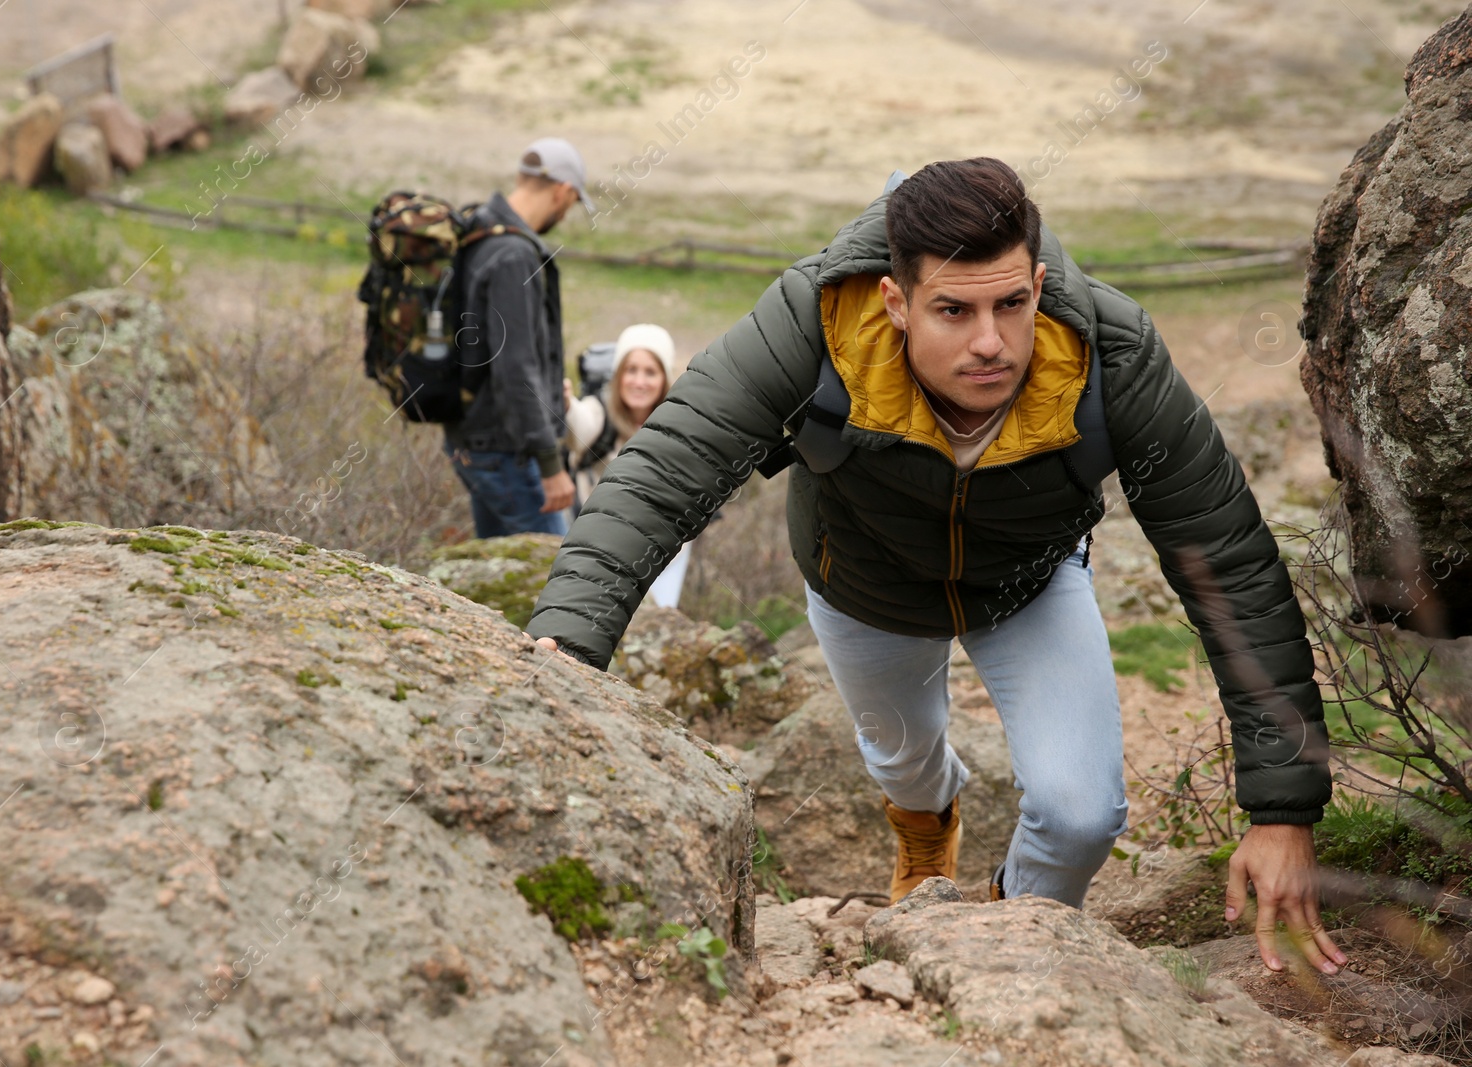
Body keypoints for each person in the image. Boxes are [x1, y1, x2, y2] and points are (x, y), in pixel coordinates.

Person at [527, 158, 1343, 979]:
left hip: (1028, 580)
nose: (990, 341)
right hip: (863, 582)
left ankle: (1011, 940)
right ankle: (926, 836)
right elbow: (667, 468)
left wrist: (1282, 808)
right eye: (953, 310)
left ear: (1038, 281)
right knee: (907, 763)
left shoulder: (1111, 350)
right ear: (894, 301)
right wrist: (567, 639)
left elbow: (1226, 557)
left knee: (1082, 816)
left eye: (1012, 304)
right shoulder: (812, 321)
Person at [444, 137, 593, 538]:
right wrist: (549, 464)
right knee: (554, 583)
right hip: (508, 450)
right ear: (563, 191)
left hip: (473, 439)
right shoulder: (515, 256)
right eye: (573, 202)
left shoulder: (478, 234)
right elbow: (515, 367)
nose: (565, 213)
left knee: (500, 569)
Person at [563, 323, 692, 609]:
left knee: (658, 618)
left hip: (666, 552)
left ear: (664, 378)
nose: (639, 381)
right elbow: (580, 427)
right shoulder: (600, 411)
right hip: (601, 545)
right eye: (631, 370)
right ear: (619, 374)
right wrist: (566, 404)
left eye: (650, 372)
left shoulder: (680, 422)